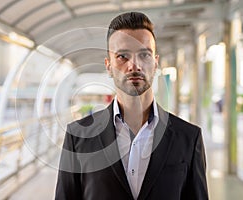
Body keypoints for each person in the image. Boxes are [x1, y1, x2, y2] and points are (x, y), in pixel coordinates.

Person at [55, 12, 208, 200]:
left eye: (144, 55)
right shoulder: (78, 137)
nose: (134, 65)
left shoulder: (189, 138)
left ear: (155, 63)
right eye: (122, 56)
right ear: (108, 66)